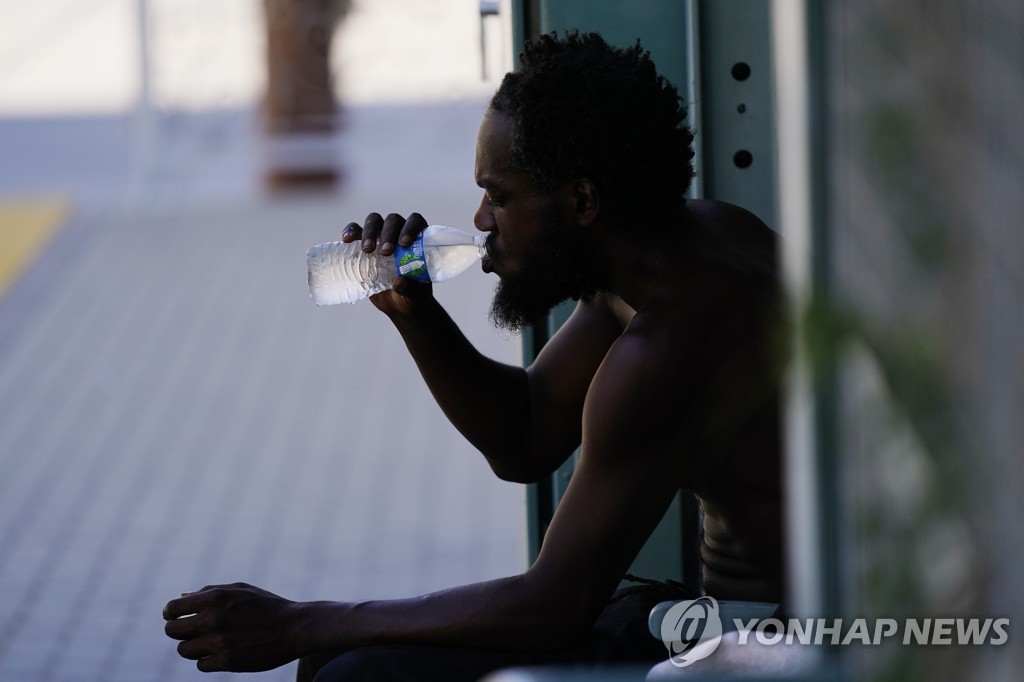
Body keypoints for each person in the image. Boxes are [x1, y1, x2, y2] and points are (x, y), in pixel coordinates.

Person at [163, 31, 784, 680]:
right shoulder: (690, 240)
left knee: (351, 672)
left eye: (500, 194)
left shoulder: (668, 346)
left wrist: (301, 621)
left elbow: (552, 606)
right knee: (337, 656)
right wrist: (415, 312)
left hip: (775, 647)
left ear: (580, 201)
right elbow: (528, 433)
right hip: (720, 621)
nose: (482, 219)